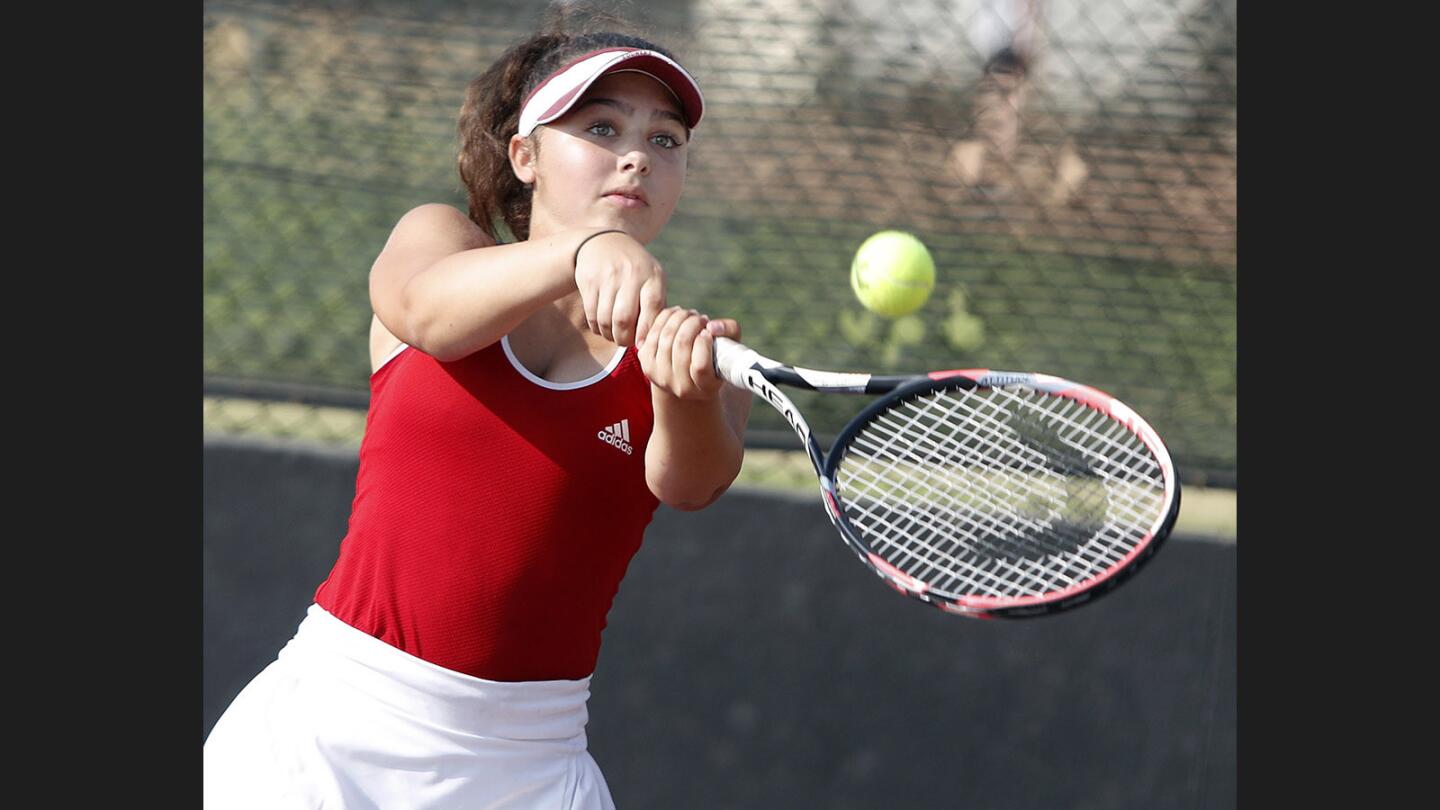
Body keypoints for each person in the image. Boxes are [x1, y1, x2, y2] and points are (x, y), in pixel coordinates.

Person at [202, 9, 751, 808]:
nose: (637, 155)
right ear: (524, 156)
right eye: (601, 127)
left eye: (665, 141)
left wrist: (683, 393)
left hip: (526, 768)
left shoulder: (690, 348)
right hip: (325, 739)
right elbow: (424, 312)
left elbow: (690, 483)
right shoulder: (441, 241)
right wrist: (584, 251)